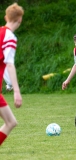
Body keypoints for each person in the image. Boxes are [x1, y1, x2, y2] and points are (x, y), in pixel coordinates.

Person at [0, 3, 23, 146]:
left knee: (11, 122)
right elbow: (9, 63)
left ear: (5, 17)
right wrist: (16, 91)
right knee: (10, 122)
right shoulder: (9, 37)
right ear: (19, 20)